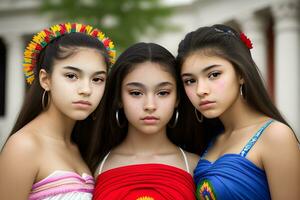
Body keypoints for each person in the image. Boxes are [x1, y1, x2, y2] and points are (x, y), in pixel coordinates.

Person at [176, 24, 300, 200]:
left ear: (241, 73)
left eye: (214, 74)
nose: (200, 90)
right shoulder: (208, 139)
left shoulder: (275, 136)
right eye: (190, 81)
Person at [0, 23, 116, 199]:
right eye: (71, 76)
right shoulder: (24, 146)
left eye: (97, 79)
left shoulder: (82, 145)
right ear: (45, 79)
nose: (86, 89)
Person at [86, 42, 199, 200]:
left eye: (163, 92)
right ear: (119, 98)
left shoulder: (196, 167)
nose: (150, 106)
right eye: (136, 93)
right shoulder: (93, 166)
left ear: (177, 98)